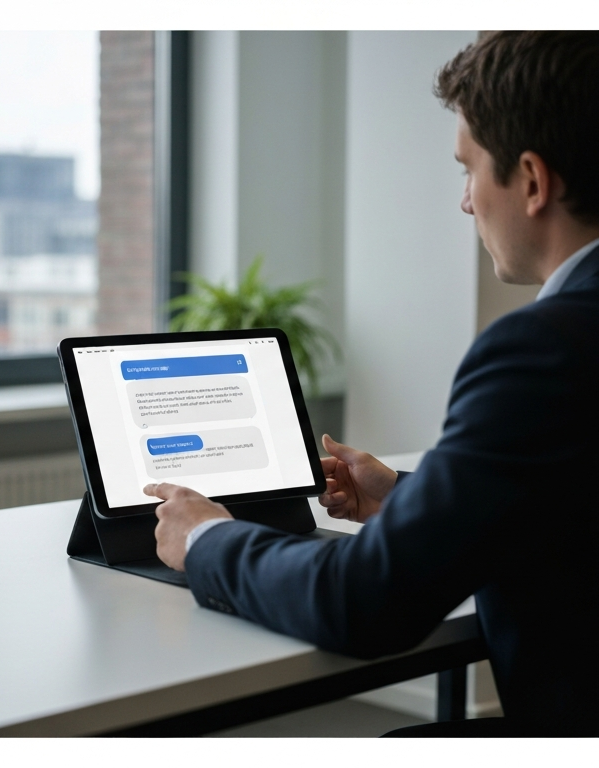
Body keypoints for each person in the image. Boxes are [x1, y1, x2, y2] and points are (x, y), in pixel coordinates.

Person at [147, 32, 599, 737]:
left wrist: (206, 537)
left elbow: (361, 603)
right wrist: (403, 497)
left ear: (534, 182)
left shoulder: (542, 351)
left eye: (469, 170)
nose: (466, 203)